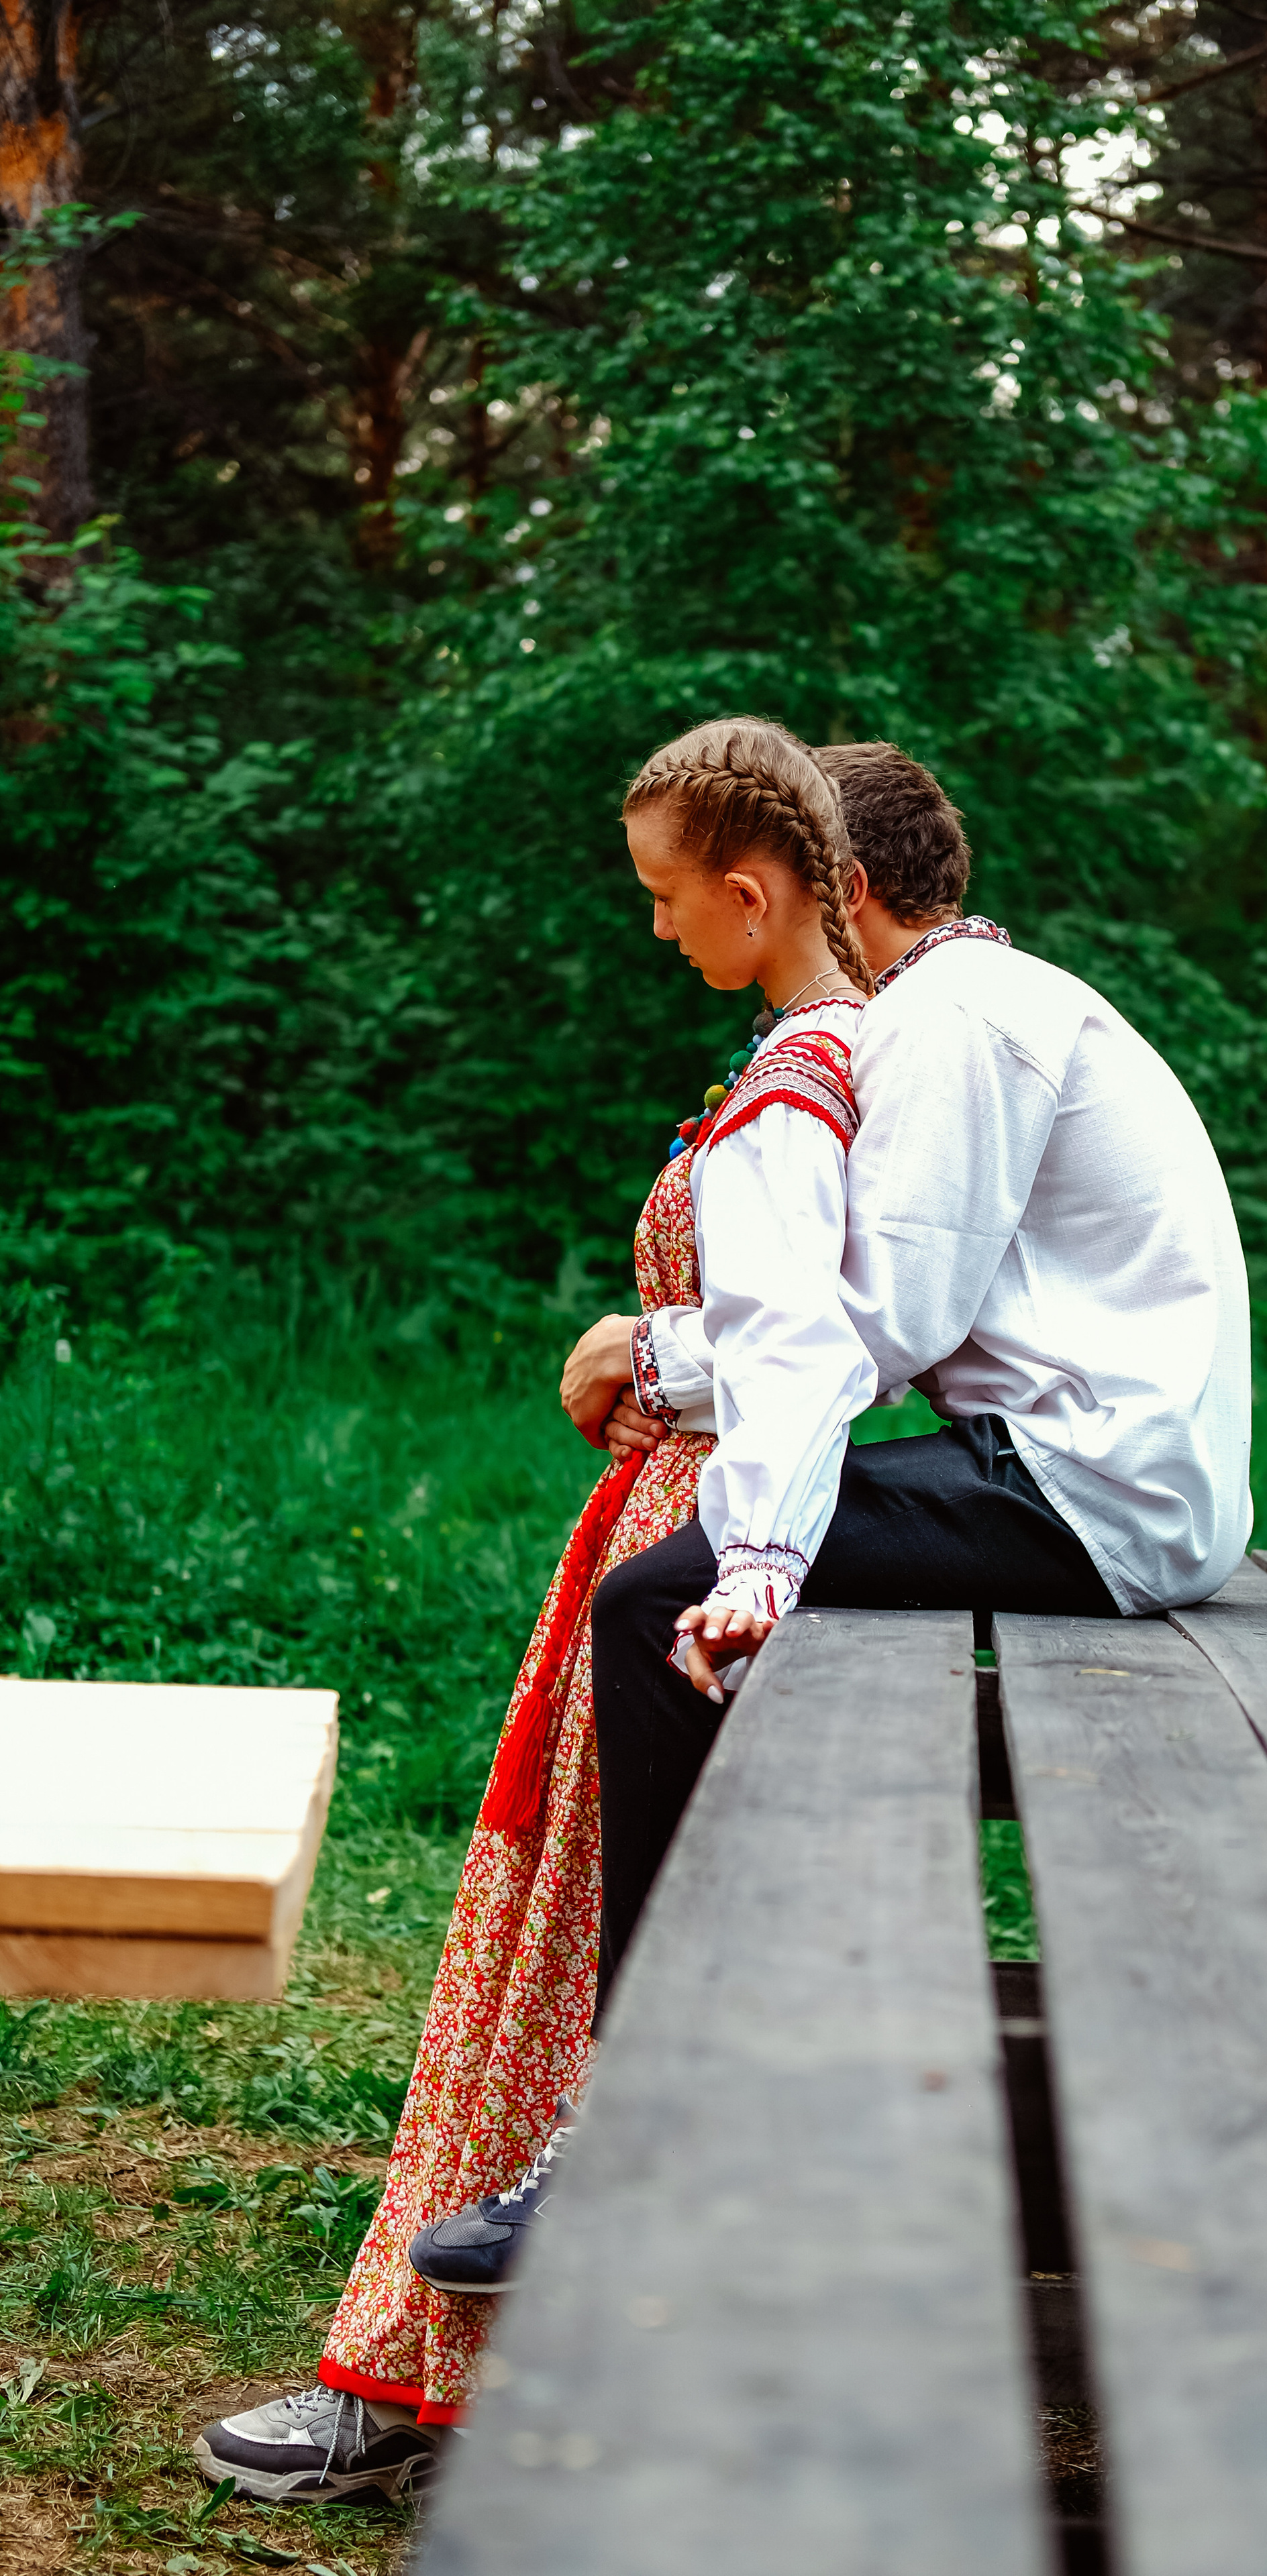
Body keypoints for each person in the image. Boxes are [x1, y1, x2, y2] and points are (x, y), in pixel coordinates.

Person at [189, 716, 878, 2505]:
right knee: (552, 1950)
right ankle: (485, 2393)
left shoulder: (804, 1091)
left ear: (755, 888)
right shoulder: (826, 1062)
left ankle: (441, 2396)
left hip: (695, 1527)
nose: (655, 929)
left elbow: (819, 1352)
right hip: (669, 1510)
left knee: (556, 1964)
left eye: (667, 898)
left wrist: (656, 1372)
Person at [582, 738, 1253, 1989]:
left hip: (1085, 1491)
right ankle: (772, 1984)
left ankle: (646, 2080)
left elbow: (880, 1324)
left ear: (824, 877)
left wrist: (652, 1359)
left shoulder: (956, 1019)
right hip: (1091, 1472)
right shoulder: (984, 1001)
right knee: (709, 1586)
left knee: (648, 1613)